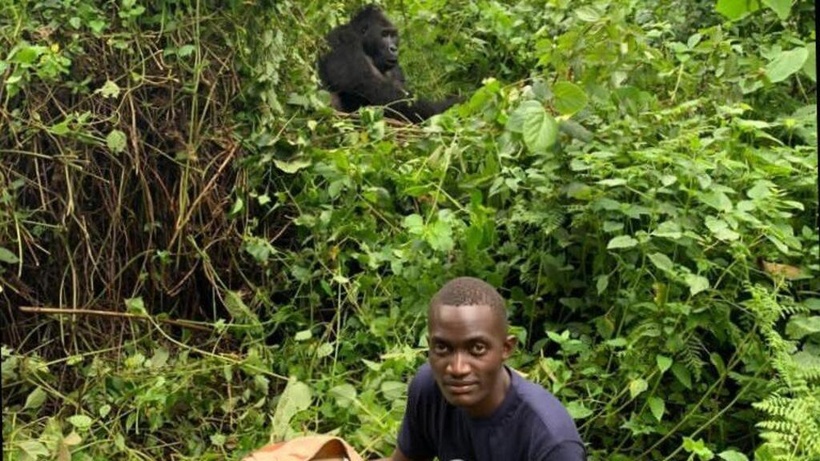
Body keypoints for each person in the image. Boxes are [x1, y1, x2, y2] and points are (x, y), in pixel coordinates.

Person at [382, 277, 585, 461]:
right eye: (443, 348)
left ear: (506, 348)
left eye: (477, 348)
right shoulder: (429, 387)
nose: (457, 368)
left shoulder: (550, 440)